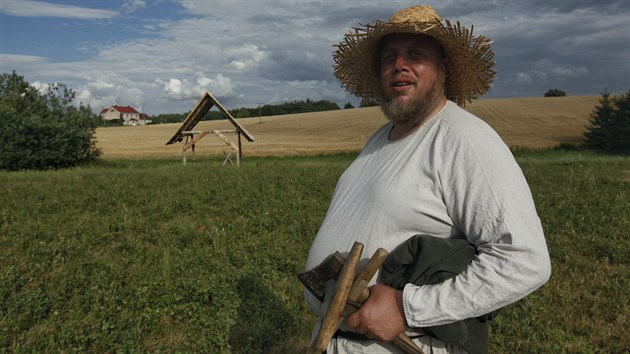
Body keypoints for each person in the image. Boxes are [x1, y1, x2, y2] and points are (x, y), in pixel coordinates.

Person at [304, 5, 551, 353]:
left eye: (416, 54)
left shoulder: (464, 139)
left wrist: (407, 308)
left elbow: (524, 260)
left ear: (443, 68)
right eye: (389, 57)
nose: (399, 65)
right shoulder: (378, 139)